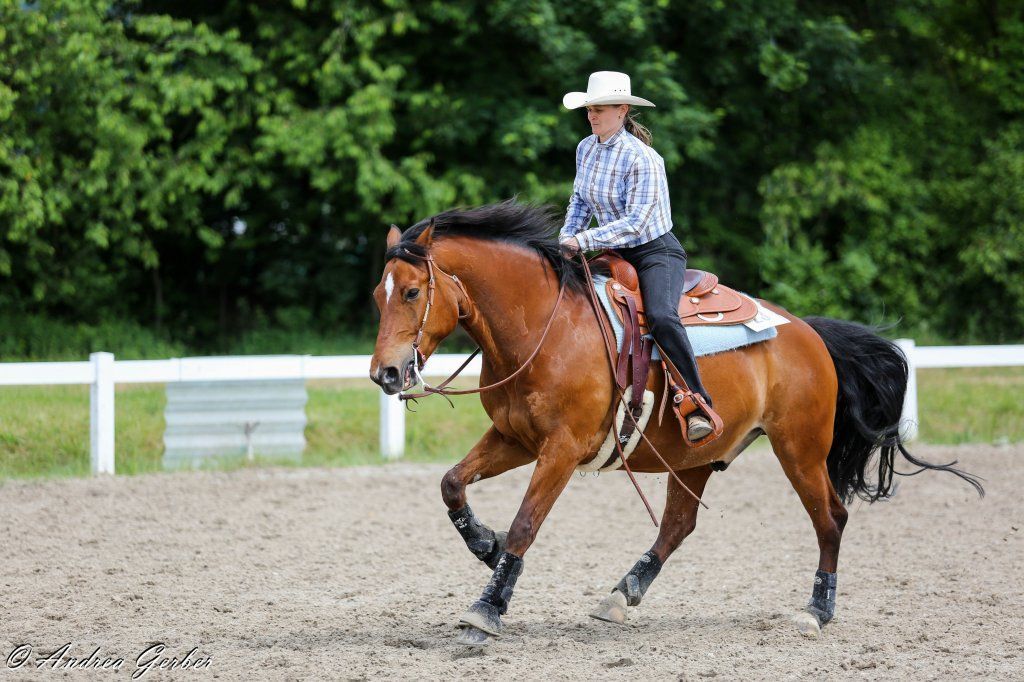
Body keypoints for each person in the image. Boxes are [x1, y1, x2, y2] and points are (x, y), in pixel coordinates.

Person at [558, 71, 715, 442]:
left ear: (622, 110)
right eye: (589, 110)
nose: (592, 116)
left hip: (653, 250)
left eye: (599, 109)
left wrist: (583, 240)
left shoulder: (644, 159)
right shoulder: (585, 148)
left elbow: (636, 223)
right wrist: (566, 238)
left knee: (661, 316)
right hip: (608, 247)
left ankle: (696, 400)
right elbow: (579, 201)